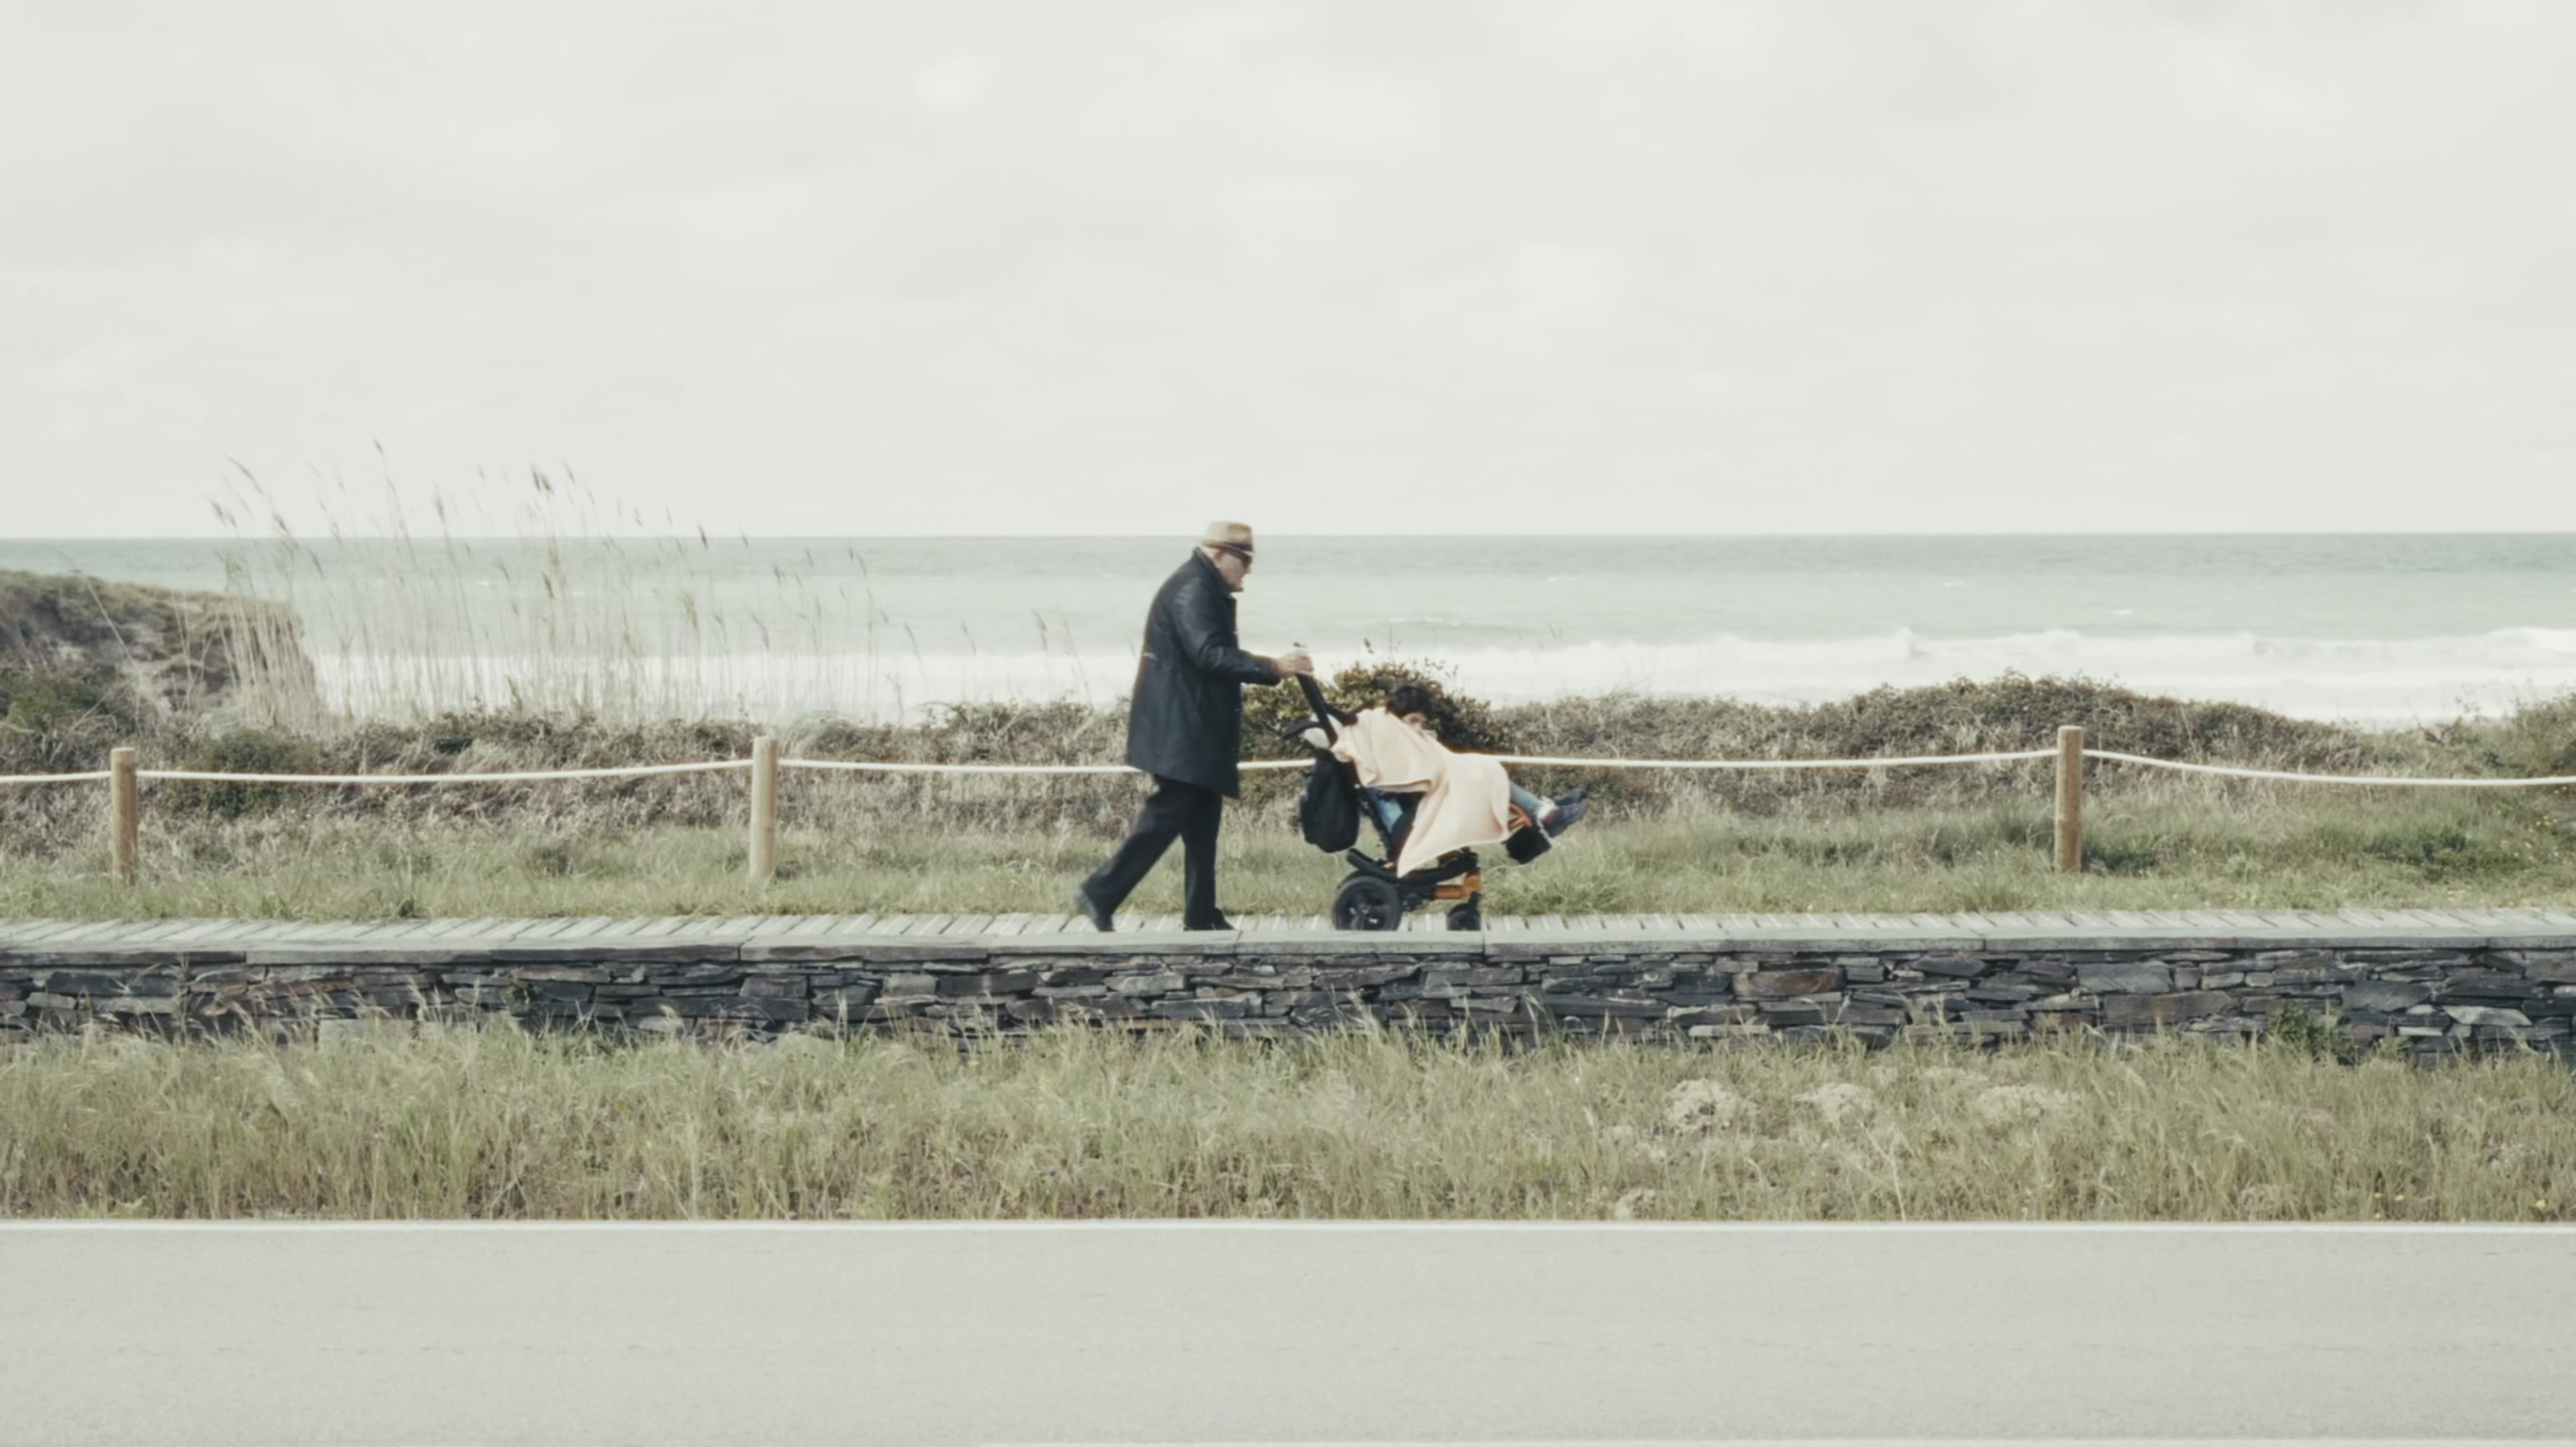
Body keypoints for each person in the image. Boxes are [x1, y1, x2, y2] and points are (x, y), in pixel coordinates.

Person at [1074, 522, 1312, 932]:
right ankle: (1100, 891)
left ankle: (1200, 912)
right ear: (1220, 556)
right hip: (1181, 729)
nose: (1249, 569)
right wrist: (1273, 667)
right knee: (1168, 813)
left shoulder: (1199, 585)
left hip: (1189, 726)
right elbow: (1208, 653)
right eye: (1244, 560)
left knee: (1202, 820)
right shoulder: (1194, 589)